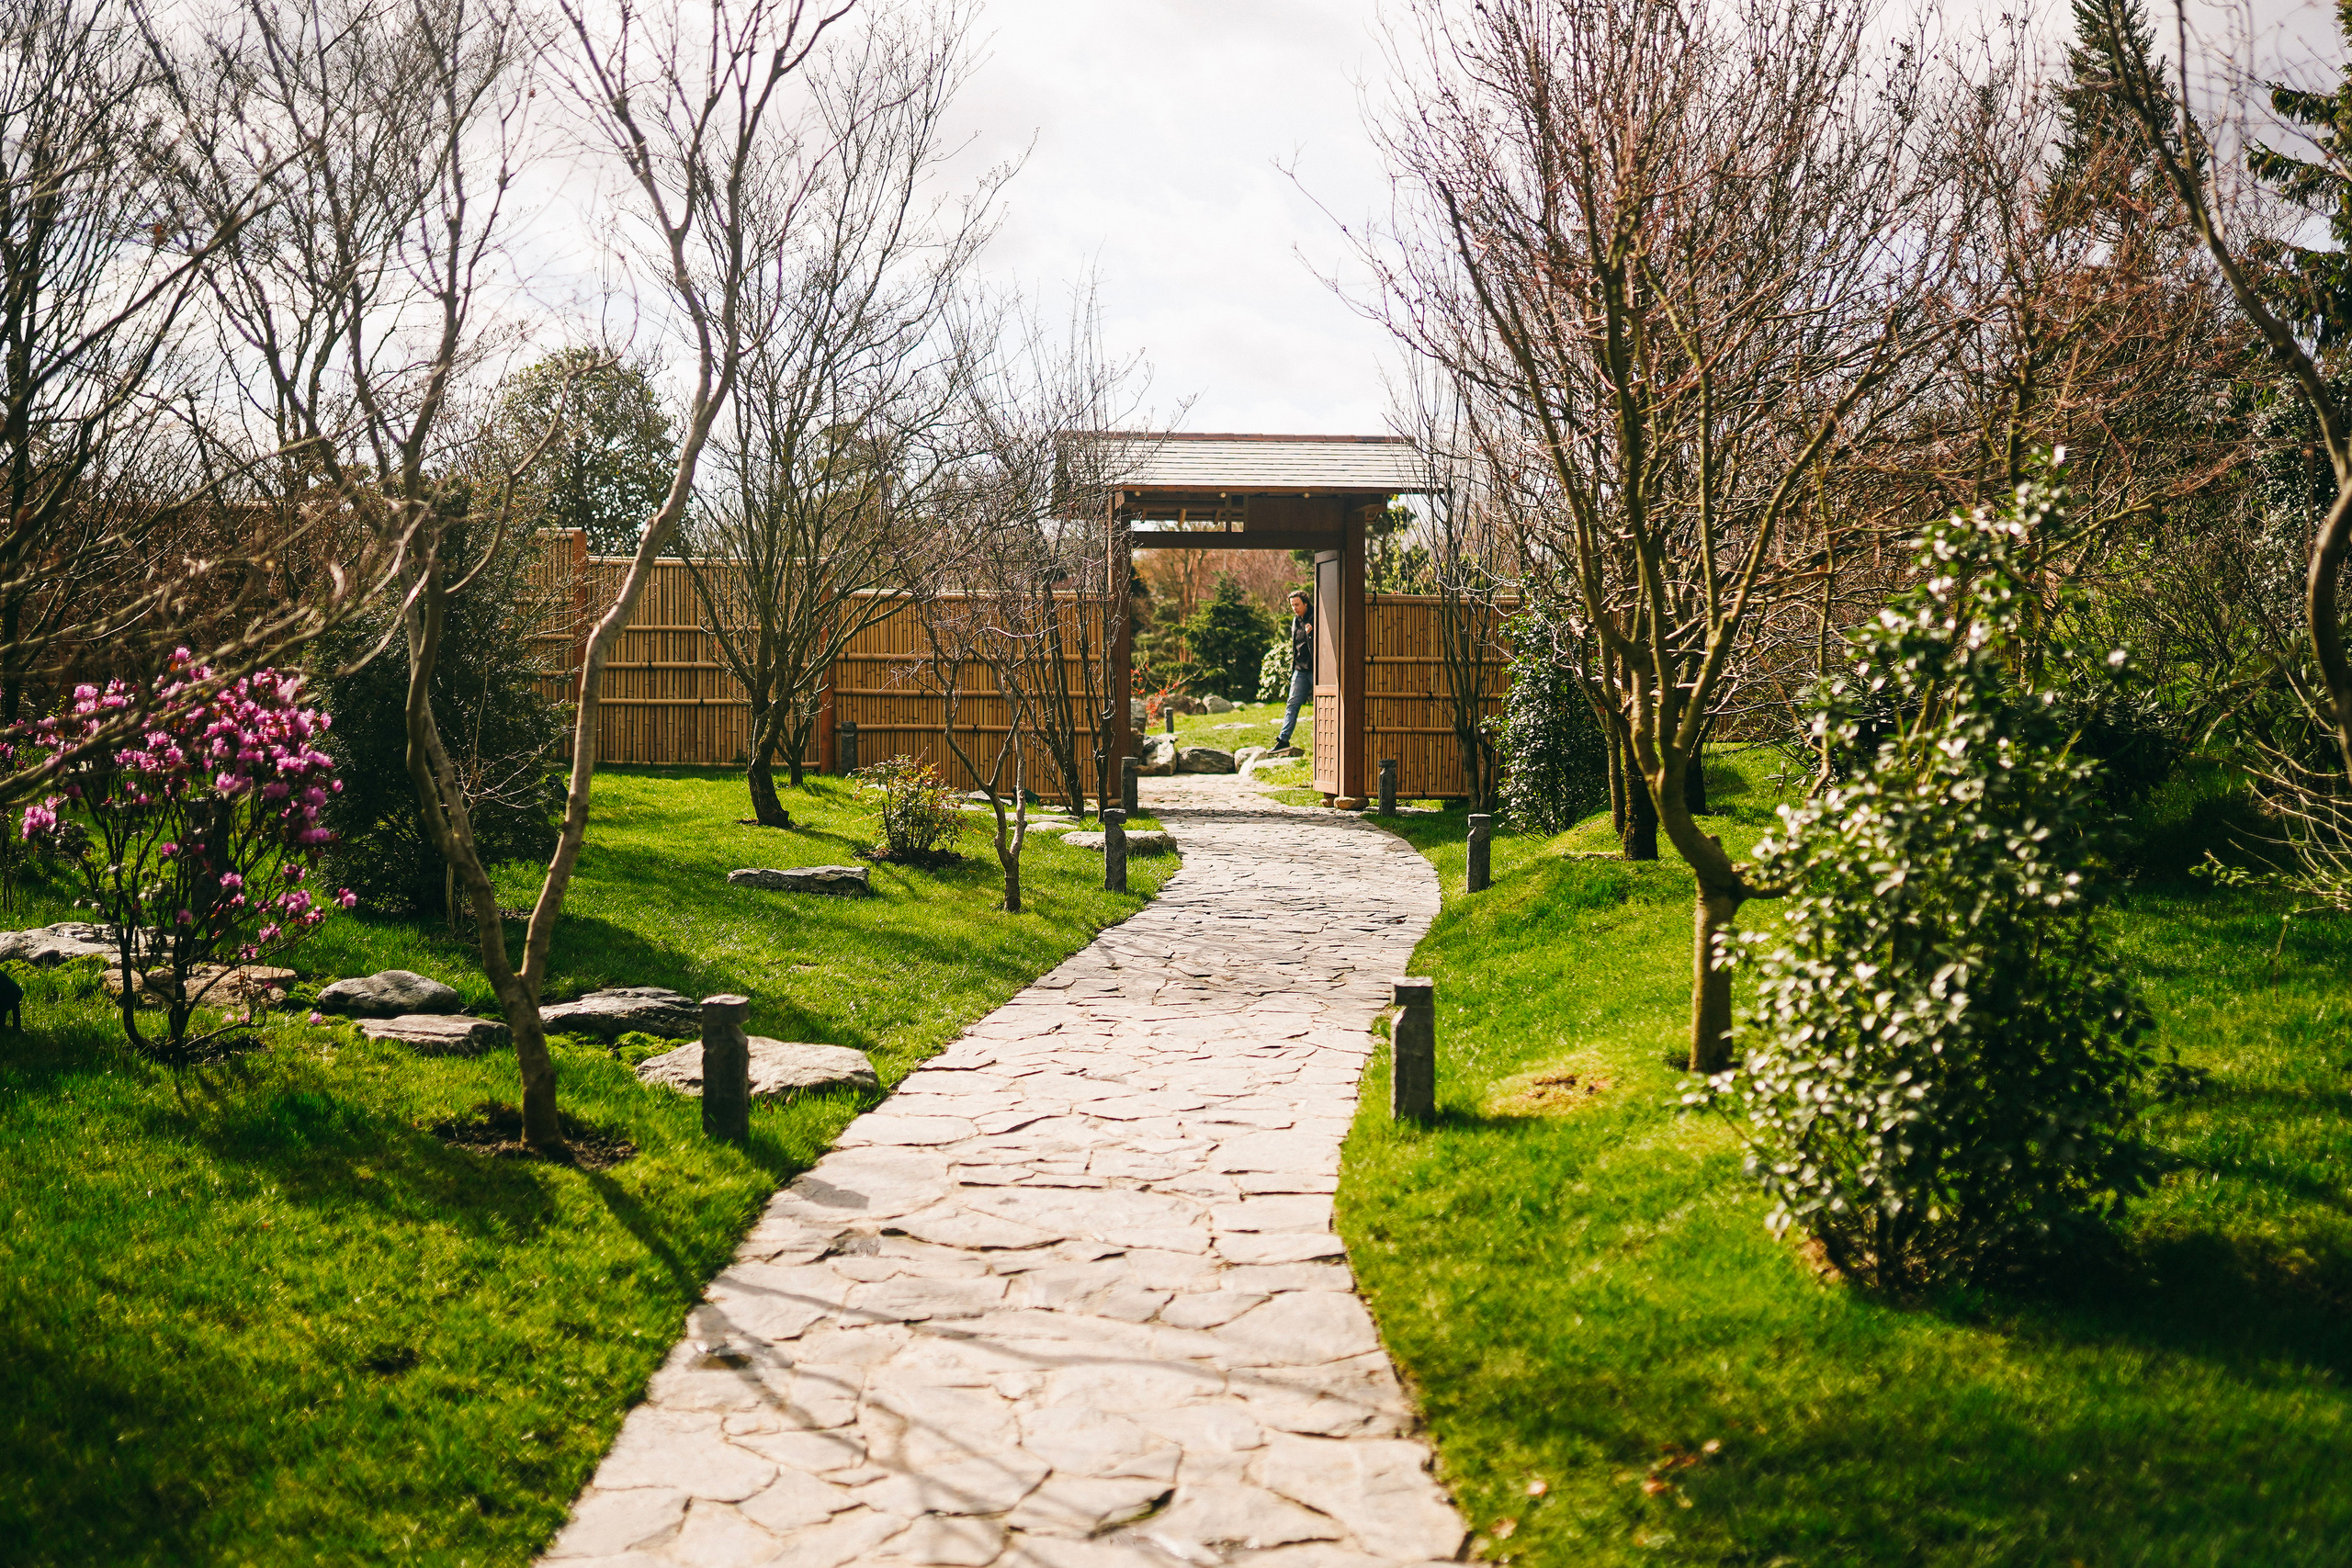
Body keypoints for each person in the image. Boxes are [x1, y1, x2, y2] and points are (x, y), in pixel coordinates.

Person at [1272, 589, 1313, 751]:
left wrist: (1312, 633)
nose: (1294, 608)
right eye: (1292, 605)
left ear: (1305, 603)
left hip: (1317, 670)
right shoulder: (1296, 621)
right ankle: (1283, 740)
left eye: (1297, 605)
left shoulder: (1316, 617)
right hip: (1300, 670)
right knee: (1292, 704)